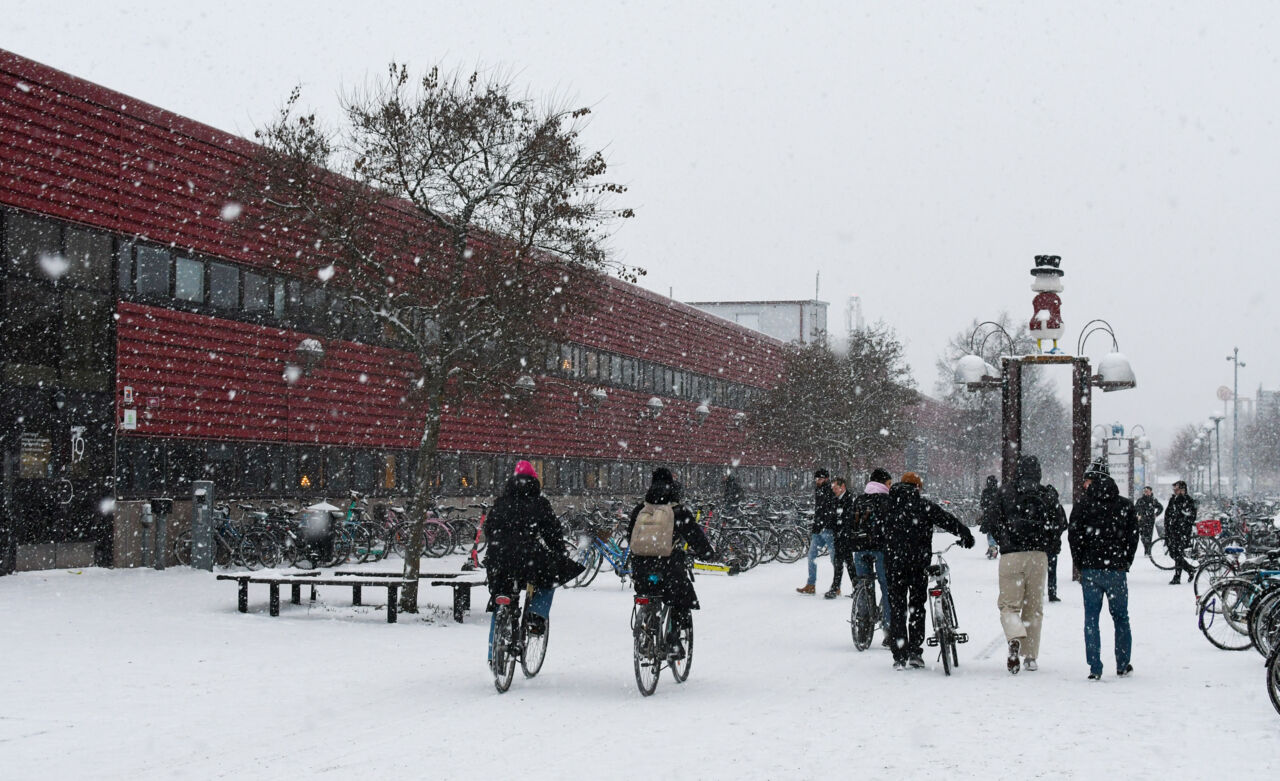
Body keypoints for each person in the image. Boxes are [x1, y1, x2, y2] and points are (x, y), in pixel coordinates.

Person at [483, 460, 584, 652]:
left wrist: (499, 547)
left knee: (500, 599)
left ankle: (492, 654)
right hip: (527, 559)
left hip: (498, 560)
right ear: (534, 481)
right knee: (550, 578)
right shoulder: (539, 503)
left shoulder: (501, 502)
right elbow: (551, 532)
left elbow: (489, 529)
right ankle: (536, 615)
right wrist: (559, 552)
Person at [881, 471, 976, 670]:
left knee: (897, 606)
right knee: (917, 605)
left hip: (894, 564)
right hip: (917, 563)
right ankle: (915, 651)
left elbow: (876, 530)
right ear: (917, 488)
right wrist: (965, 534)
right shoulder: (923, 506)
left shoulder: (887, 505)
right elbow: (946, 519)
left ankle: (899, 654)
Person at [627, 467, 716, 657]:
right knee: (682, 597)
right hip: (668, 569)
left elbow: (630, 537)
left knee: (649, 593)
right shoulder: (678, 511)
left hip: (641, 568)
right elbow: (695, 537)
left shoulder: (640, 510)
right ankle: (674, 640)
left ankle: (646, 630)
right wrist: (707, 553)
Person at [1068, 460, 1140, 680]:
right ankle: (1122, 662)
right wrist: (1125, 560)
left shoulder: (1082, 505)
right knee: (1121, 617)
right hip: (1116, 569)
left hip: (1091, 568)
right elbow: (1133, 537)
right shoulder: (1125, 505)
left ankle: (1095, 667)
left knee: (1091, 618)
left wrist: (1080, 562)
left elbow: (1074, 536)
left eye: (1086, 481)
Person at [991, 454, 1062, 674]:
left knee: (1009, 605)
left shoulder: (1005, 492)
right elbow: (1061, 522)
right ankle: (1030, 656)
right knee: (1034, 608)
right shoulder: (1045, 493)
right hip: (1038, 556)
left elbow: (991, 520)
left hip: (1011, 555)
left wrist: (1005, 540)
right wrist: (1046, 542)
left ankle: (1014, 637)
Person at [850, 468, 894, 642]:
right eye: (889, 484)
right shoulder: (887, 500)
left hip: (859, 548)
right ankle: (889, 630)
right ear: (883, 483)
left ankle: (862, 625)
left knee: (863, 584)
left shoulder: (859, 499)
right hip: (880, 549)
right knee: (887, 586)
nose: (890, 487)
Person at [797, 469, 838, 595]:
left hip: (828, 528)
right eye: (816, 479)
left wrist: (824, 523)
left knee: (834, 559)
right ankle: (811, 584)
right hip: (819, 528)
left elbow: (831, 510)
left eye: (819, 479)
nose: (817, 481)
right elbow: (820, 510)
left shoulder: (831, 490)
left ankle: (836, 586)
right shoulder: (819, 490)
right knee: (811, 556)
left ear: (826, 479)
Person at [827, 477, 856, 598]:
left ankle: (837, 588)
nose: (833, 490)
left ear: (842, 486)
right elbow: (834, 516)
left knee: (845, 562)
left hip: (845, 536)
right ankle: (852, 586)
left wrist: (842, 529)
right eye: (833, 488)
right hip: (839, 535)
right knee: (844, 562)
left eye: (835, 488)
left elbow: (848, 518)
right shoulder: (837, 499)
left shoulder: (849, 499)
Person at [1164, 480, 1198, 584]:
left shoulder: (1187, 500)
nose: (1175, 491)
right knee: (1173, 553)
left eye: (1177, 489)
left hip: (1181, 532)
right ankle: (1190, 569)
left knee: (1177, 553)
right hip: (1172, 531)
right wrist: (1167, 527)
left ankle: (1177, 576)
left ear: (1183, 490)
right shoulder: (1173, 499)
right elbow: (1168, 513)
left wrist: (1182, 526)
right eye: (1174, 489)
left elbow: (1190, 516)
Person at [1044, 483, 1069, 603]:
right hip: (1053, 544)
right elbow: (1064, 525)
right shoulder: (1058, 506)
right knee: (1052, 570)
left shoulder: (1040, 504)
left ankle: (1036, 593)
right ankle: (1052, 593)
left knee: (1037, 571)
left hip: (1040, 544)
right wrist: (1056, 534)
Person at [1134, 486, 1164, 558]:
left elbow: (1161, 507)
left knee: (1149, 536)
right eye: (1144, 491)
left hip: (1150, 521)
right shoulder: (1140, 500)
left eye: (1147, 491)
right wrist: (1137, 516)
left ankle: (1147, 552)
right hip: (1141, 521)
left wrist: (1156, 514)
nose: (1146, 492)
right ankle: (1146, 548)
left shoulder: (1153, 500)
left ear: (1150, 492)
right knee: (1142, 536)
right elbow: (1135, 509)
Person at [978, 475, 1001, 559]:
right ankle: (993, 547)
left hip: (988, 515)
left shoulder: (986, 492)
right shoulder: (999, 491)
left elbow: (982, 503)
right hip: (997, 515)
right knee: (995, 531)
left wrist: (986, 509)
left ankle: (992, 547)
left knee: (990, 532)